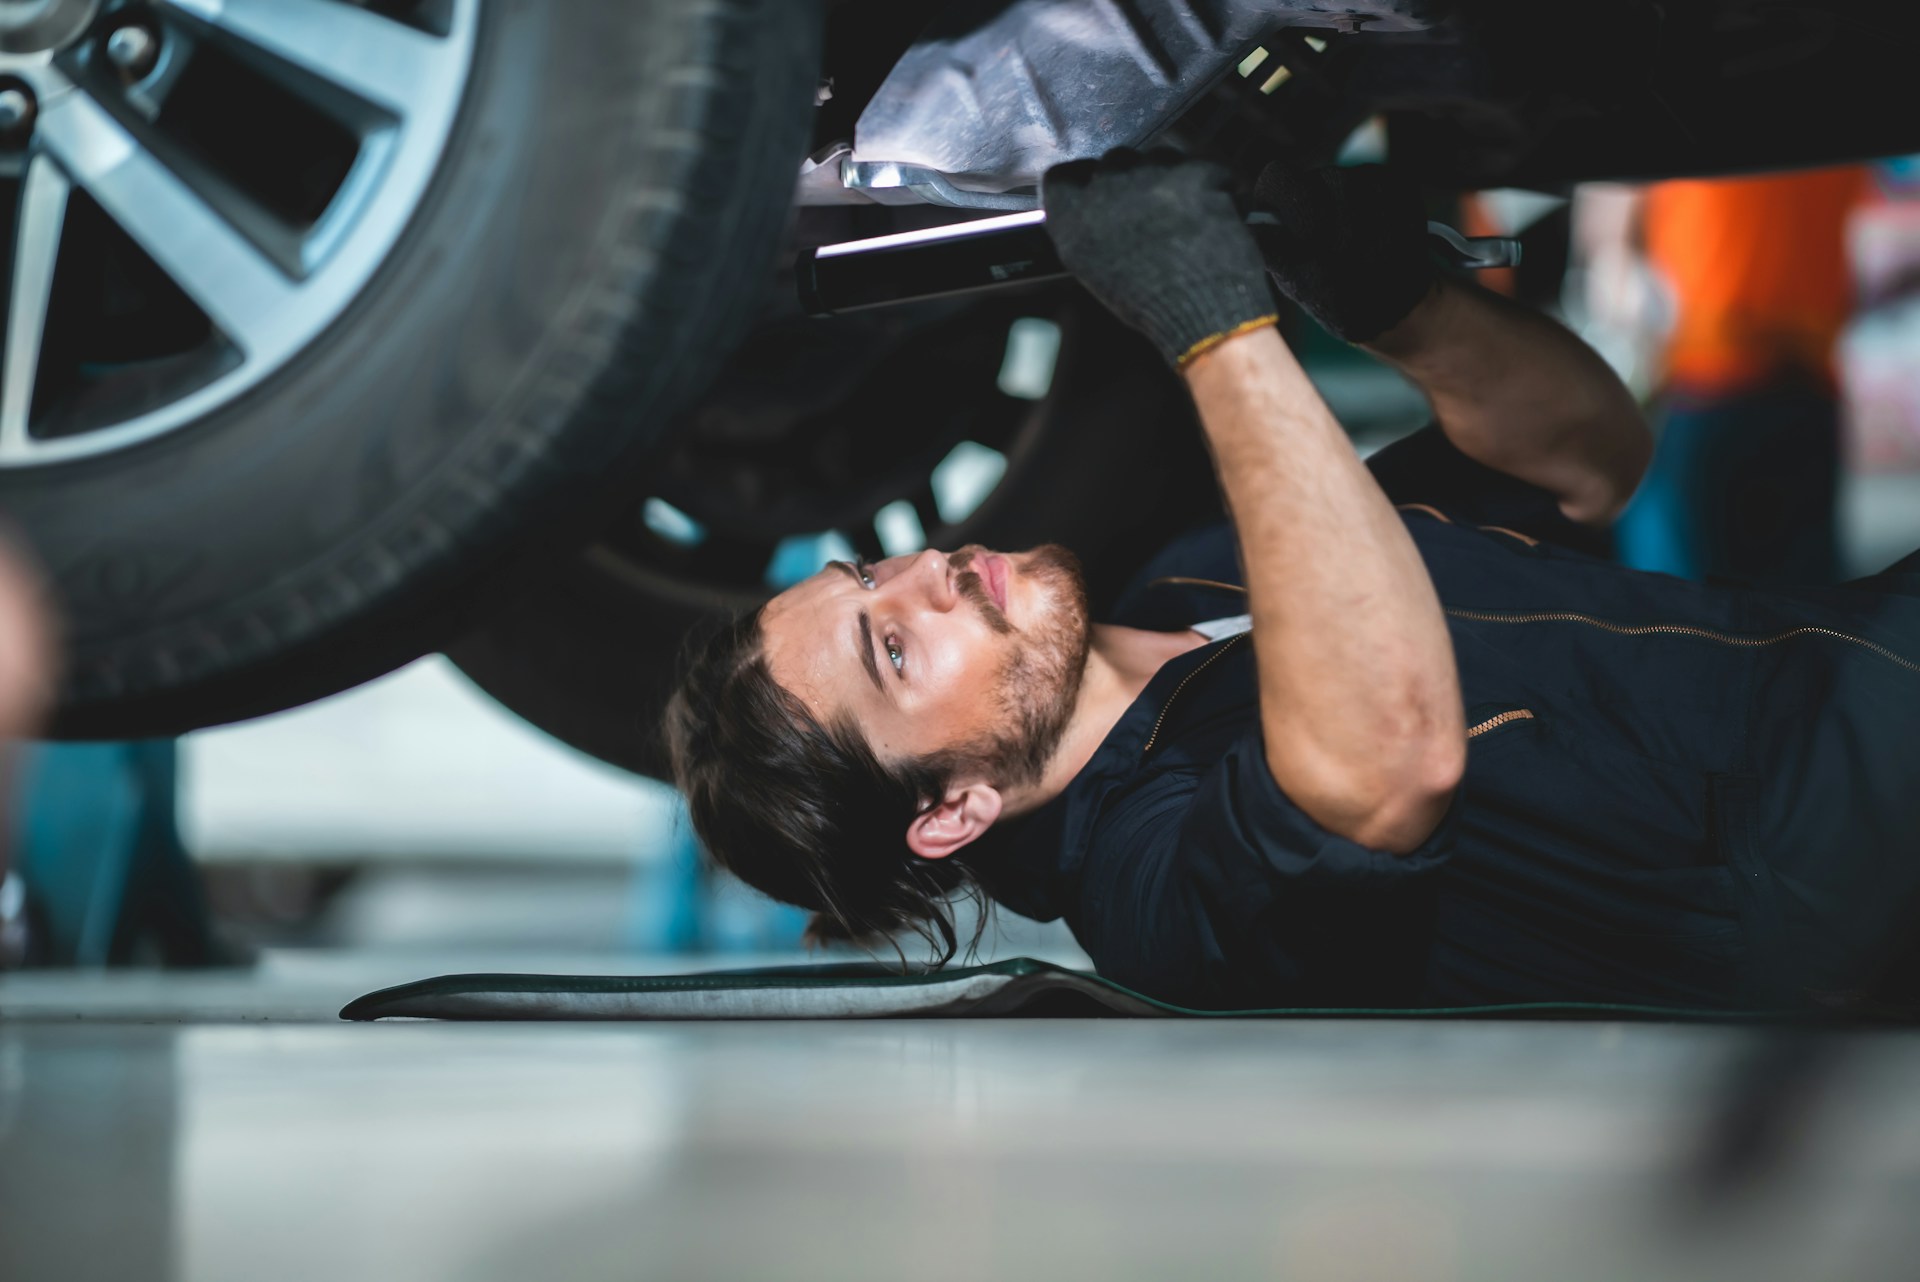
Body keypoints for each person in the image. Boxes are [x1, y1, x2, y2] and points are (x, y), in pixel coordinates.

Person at [667, 152, 1920, 1014]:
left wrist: (1400, 305)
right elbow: (1389, 767)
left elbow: (1589, 459)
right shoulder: (1153, 896)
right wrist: (1211, 327)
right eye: (892, 648)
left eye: (871, 572)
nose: (926, 574)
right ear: (952, 813)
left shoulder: (1194, 575)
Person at [1606, 168, 1873, 584]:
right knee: (1801, 595)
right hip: (1772, 381)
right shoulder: (1846, 133)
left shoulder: (1676, 131)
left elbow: (1611, 227)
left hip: (1730, 385)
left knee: (1689, 593)